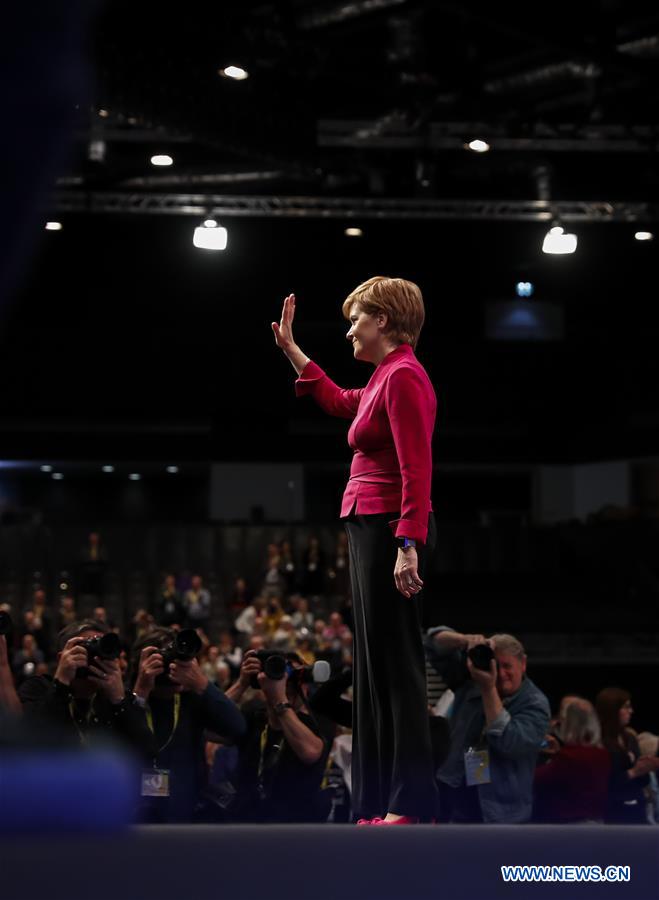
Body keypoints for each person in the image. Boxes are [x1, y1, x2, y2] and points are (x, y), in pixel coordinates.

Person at [273, 277, 437, 825]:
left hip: (389, 528)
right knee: (372, 671)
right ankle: (379, 802)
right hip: (369, 525)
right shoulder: (384, 378)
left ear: (383, 321)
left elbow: (417, 467)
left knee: (397, 668)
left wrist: (407, 543)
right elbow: (341, 400)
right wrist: (293, 351)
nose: (349, 329)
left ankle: (408, 803)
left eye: (355, 319)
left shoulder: (405, 376)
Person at [431, 628, 550, 824]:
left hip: (502, 812)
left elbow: (508, 743)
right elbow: (432, 644)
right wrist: (464, 639)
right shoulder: (471, 681)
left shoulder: (535, 703)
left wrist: (488, 688)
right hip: (453, 799)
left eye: (507, 666)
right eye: (495, 664)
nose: (501, 674)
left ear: (523, 664)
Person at [129, 627, 246, 823]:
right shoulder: (129, 699)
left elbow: (237, 728)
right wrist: (141, 690)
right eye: (164, 658)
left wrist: (202, 684)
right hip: (134, 813)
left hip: (185, 812)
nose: (170, 667)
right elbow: (122, 741)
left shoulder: (191, 699)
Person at [223, 649, 335, 822]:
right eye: (279, 675)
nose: (285, 683)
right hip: (247, 822)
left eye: (292, 678)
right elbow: (211, 728)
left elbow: (310, 753)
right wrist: (242, 683)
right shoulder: (253, 716)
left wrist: (278, 699)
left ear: (305, 684)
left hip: (295, 826)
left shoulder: (319, 720)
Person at [534, 698, 611, 823]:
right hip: (595, 823)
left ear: (569, 724)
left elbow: (538, 779)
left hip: (570, 826)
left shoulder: (570, 756)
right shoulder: (603, 754)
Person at [595, 687, 659, 824]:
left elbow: (643, 781)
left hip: (637, 807)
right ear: (612, 710)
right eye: (626, 707)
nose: (631, 711)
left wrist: (645, 767)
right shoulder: (597, 741)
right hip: (612, 812)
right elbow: (601, 783)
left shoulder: (630, 738)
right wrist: (633, 772)